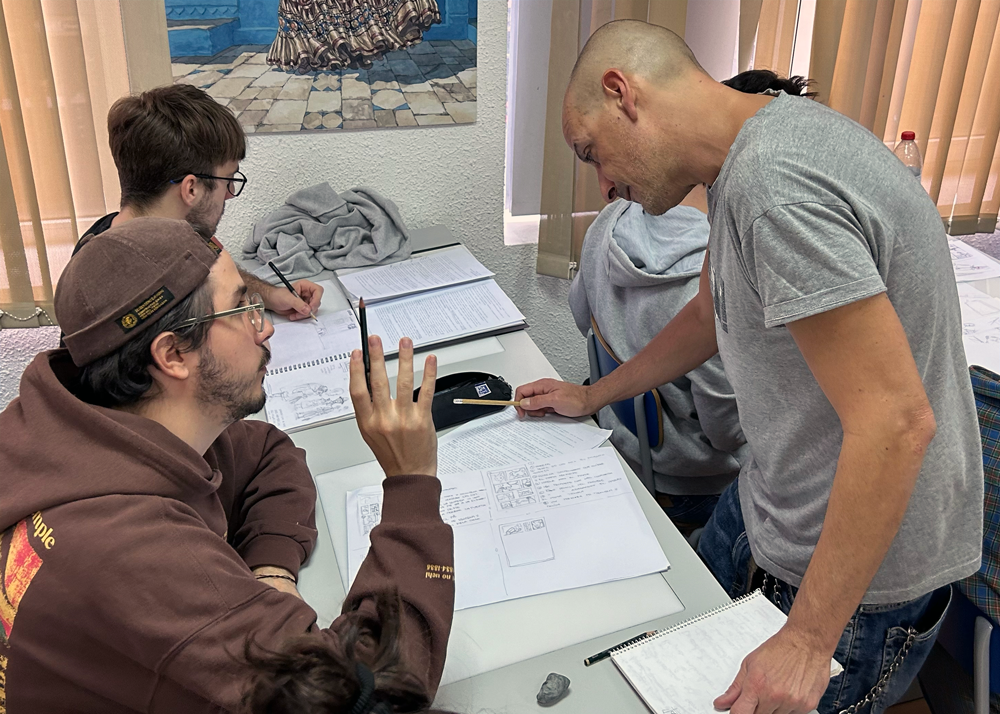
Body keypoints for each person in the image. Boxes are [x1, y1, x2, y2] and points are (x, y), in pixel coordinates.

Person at [516, 20, 982, 713]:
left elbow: (897, 421)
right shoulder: (743, 156)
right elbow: (710, 314)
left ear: (622, 94)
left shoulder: (773, 182)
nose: (604, 183)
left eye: (592, 154)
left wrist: (808, 640)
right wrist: (594, 395)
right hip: (771, 502)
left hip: (856, 574)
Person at [0, 218, 454, 712]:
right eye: (244, 309)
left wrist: (271, 569)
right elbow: (375, 693)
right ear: (173, 353)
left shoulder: (93, 426)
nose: (265, 328)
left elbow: (266, 452)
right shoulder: (142, 557)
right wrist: (412, 484)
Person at [79, 83, 323, 323]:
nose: (230, 194)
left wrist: (270, 294)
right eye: (228, 180)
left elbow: (207, 265)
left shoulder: (133, 236)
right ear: (191, 189)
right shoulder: (136, 301)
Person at [572, 199, 747, 533]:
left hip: (619, 440)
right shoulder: (712, 288)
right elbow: (727, 434)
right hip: (686, 483)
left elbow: (583, 317)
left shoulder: (608, 222)